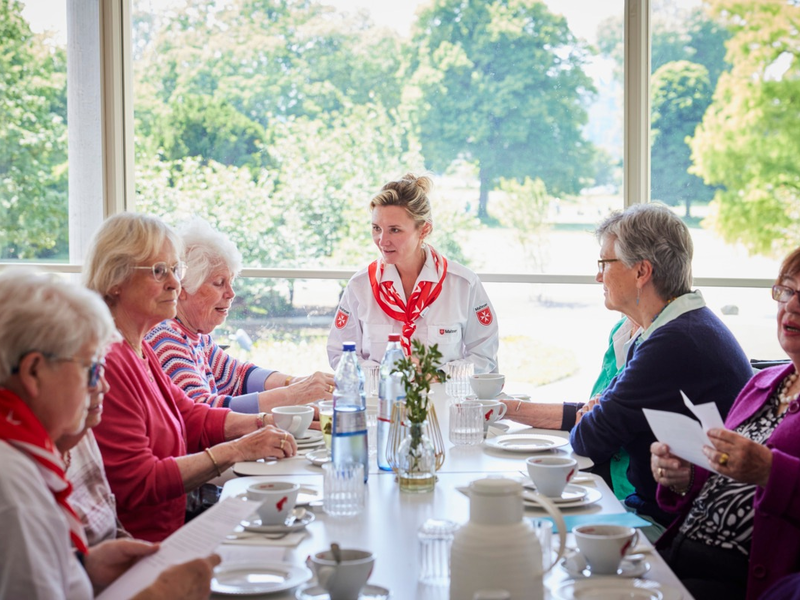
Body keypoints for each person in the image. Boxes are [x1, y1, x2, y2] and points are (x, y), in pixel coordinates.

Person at [502, 203, 752, 531]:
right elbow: (600, 416)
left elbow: (590, 438)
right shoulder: (676, 328)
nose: (598, 276)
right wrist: (513, 409)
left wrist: (594, 414)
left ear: (641, 272)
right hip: (665, 511)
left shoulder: (673, 342)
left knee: (530, 525)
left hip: (674, 525)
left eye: (604, 264)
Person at [0, 268, 218, 600]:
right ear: (33, 371)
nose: (101, 385)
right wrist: (158, 595)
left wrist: (85, 567)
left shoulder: (26, 445)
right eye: (91, 369)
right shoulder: (15, 489)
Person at [84, 213, 298, 542]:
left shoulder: (139, 347)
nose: (175, 283)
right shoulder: (110, 361)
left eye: (176, 269)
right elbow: (139, 482)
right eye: (159, 271)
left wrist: (266, 422)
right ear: (115, 279)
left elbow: (190, 414)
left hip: (173, 527)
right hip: (147, 544)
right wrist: (237, 450)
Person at [650, 247, 800, 600]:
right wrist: (687, 476)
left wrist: (769, 471)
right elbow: (724, 477)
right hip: (681, 554)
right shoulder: (764, 383)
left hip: (741, 580)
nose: (792, 306)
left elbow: (763, 473)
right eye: (788, 290)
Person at [146, 217, 334, 411]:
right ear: (183, 288)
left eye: (231, 282)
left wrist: (295, 382)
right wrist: (294, 394)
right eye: (219, 283)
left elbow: (239, 377)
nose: (231, 293)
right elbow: (204, 411)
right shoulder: (165, 338)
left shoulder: (196, 336)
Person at [327, 173, 499, 373]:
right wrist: (386, 376)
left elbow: (484, 355)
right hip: (379, 393)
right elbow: (340, 354)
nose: (382, 240)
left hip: (443, 393)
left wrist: (439, 375)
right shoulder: (361, 286)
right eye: (376, 228)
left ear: (424, 230)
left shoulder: (463, 284)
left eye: (395, 230)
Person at [57, 375, 131, 546]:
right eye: (87, 370)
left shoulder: (81, 432)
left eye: (100, 368)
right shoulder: (17, 466)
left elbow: (113, 528)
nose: (104, 386)